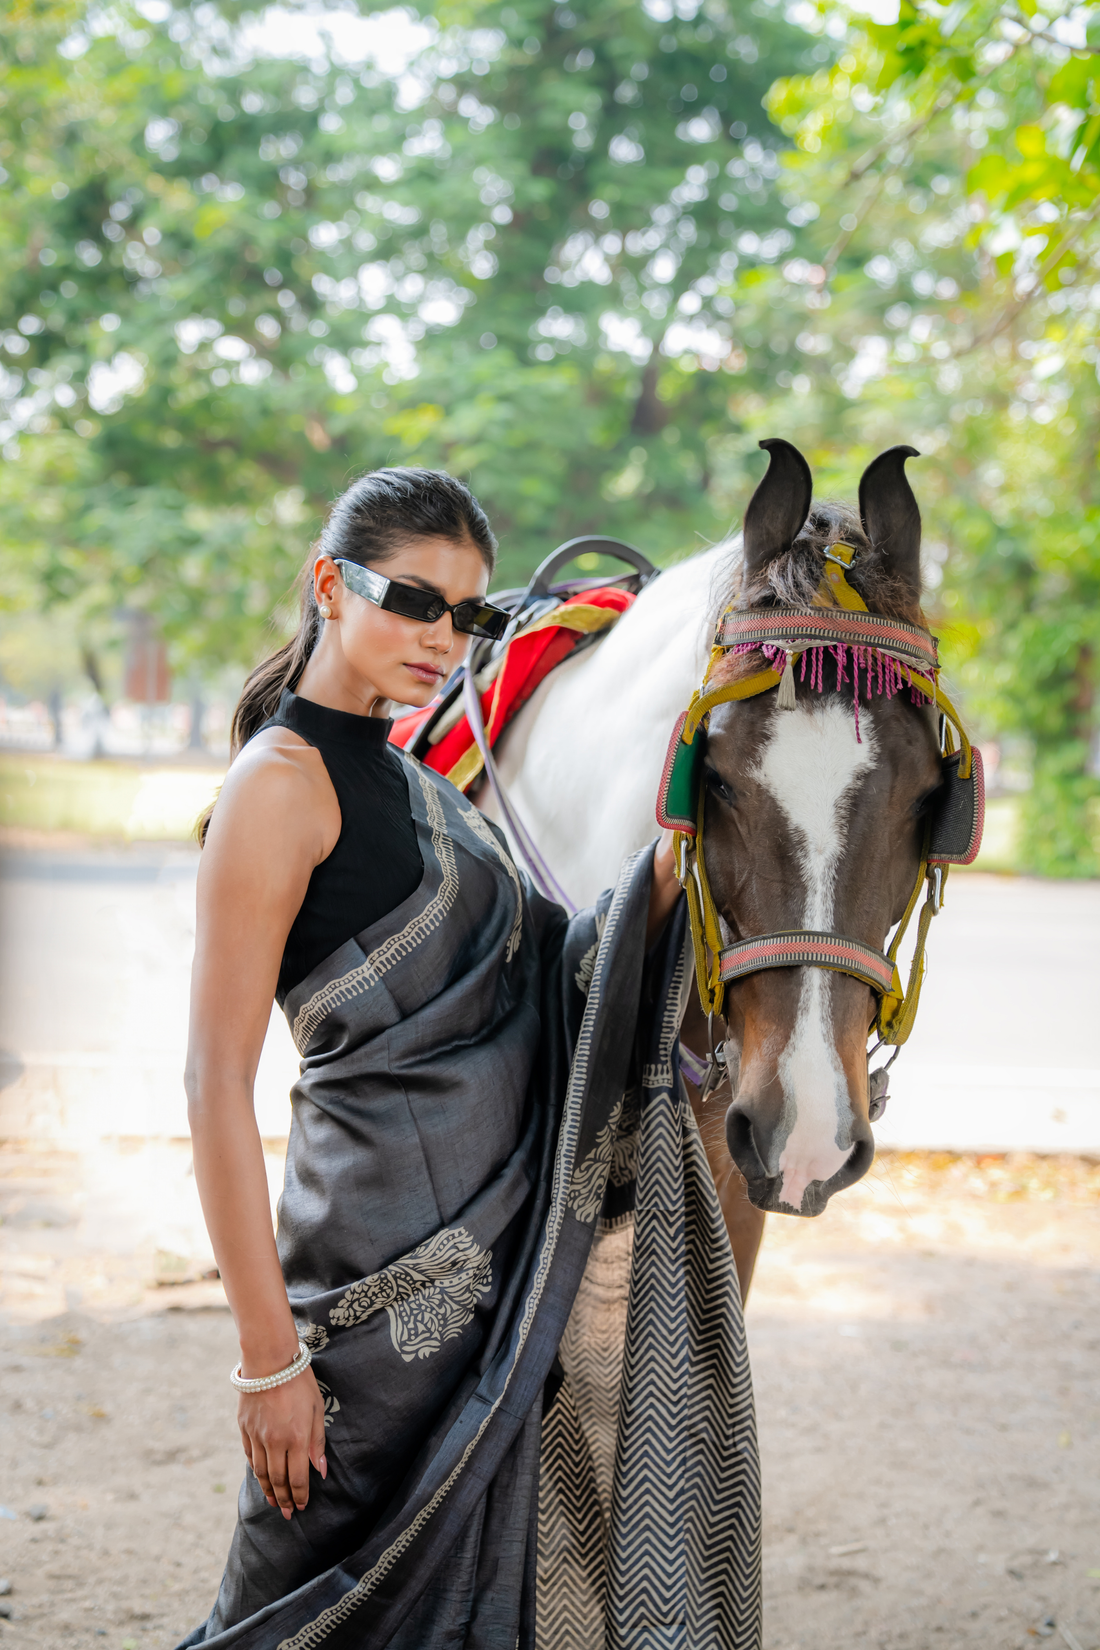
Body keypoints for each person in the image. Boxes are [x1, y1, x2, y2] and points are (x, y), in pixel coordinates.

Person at [178, 467, 760, 1650]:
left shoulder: (415, 784)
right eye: (412, 599)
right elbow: (212, 1086)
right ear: (327, 586)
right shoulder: (276, 789)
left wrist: (673, 848)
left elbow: (548, 970)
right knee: (299, 1610)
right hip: (364, 1302)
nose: (441, 637)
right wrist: (265, 1363)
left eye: (468, 615)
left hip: (496, 1277)